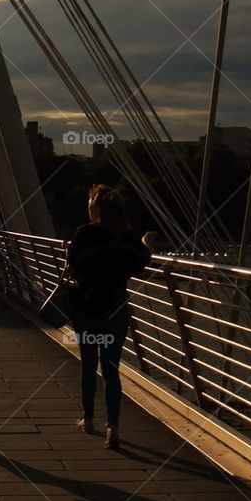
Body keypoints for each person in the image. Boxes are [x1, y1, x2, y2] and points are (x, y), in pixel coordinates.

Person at [66, 184, 158, 449]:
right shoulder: (126, 236)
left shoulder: (84, 233)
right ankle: (112, 426)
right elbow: (141, 260)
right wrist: (144, 242)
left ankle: (88, 418)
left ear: (95, 208)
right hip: (115, 309)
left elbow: (72, 268)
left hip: (86, 307)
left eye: (89, 203)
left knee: (87, 365)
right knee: (111, 369)